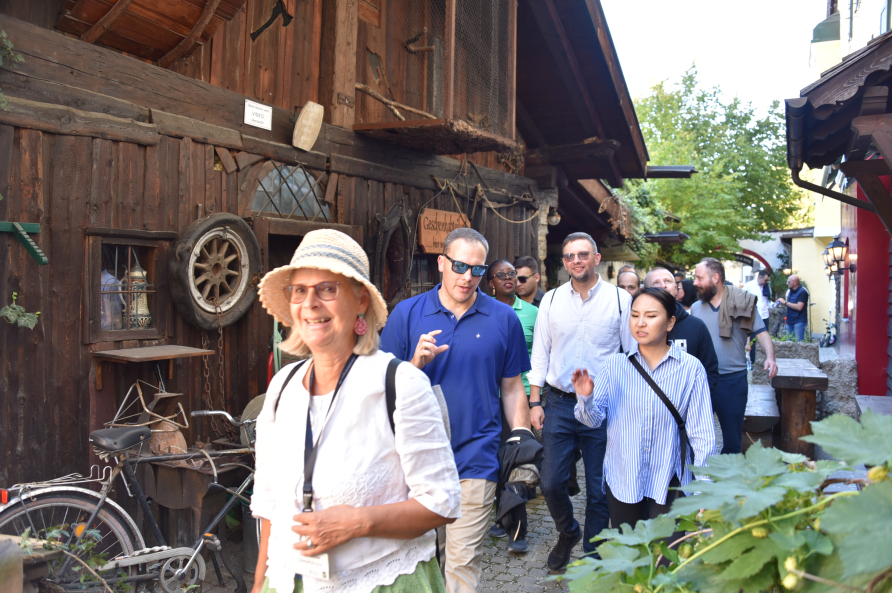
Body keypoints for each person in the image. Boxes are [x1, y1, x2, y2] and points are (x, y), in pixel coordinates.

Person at [251, 229, 461, 593]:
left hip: (379, 581)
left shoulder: (399, 383)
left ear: (360, 300)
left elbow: (443, 502)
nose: (310, 302)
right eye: (300, 290)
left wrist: (359, 523)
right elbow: (271, 505)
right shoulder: (282, 387)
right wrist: (258, 586)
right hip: (286, 582)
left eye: (327, 288)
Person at [380, 228, 533, 593]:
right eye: (460, 266)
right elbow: (380, 391)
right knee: (421, 563)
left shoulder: (503, 319)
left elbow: (512, 388)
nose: (467, 276)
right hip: (414, 462)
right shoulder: (406, 314)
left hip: (476, 459)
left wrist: (522, 443)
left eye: (477, 269)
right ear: (441, 264)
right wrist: (413, 365)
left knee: (461, 567)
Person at [528, 232, 634, 572]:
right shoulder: (552, 300)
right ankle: (568, 533)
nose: (577, 260)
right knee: (550, 483)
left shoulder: (620, 300)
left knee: (598, 489)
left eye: (583, 254)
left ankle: (592, 557)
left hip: (604, 406)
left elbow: (630, 356)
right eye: (571, 255)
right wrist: (534, 401)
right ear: (565, 262)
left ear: (597, 258)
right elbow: (540, 353)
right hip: (559, 403)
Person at [572, 288, 715, 533]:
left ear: (670, 322)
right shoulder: (615, 366)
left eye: (650, 316)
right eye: (634, 315)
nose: (640, 323)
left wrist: (704, 484)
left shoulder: (691, 368)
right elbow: (593, 421)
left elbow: (702, 433)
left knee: (667, 557)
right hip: (624, 476)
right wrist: (585, 399)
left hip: (669, 477)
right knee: (629, 555)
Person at [691, 258, 778, 455]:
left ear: (715, 278)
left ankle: (729, 482)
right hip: (702, 381)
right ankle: (700, 480)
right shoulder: (696, 308)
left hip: (733, 381)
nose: (695, 282)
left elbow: (761, 332)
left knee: (732, 440)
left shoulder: (743, 303)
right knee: (697, 436)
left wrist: (770, 357)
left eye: (699, 278)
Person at [486, 259, 539, 554]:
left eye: (513, 274)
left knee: (517, 463)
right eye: (501, 275)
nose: (509, 279)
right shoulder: (483, 312)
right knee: (495, 462)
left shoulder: (532, 313)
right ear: (490, 283)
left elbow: (541, 357)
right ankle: (500, 514)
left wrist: (535, 402)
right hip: (489, 398)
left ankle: (518, 532)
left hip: (521, 397)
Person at [644, 267, 718, 394]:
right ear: (645, 291)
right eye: (656, 282)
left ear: (676, 288)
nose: (663, 286)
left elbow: (710, 370)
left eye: (667, 281)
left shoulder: (696, 326)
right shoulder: (638, 326)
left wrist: (697, 402)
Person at [743, 270, 772, 366]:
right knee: (752, 340)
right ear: (759, 278)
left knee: (765, 337)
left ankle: (766, 359)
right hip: (753, 315)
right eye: (765, 280)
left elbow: (767, 300)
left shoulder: (767, 287)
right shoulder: (749, 285)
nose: (766, 282)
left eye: (768, 280)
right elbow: (743, 298)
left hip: (764, 315)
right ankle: (753, 361)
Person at [777, 274, 809, 341]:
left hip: (799, 321)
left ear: (795, 283)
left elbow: (799, 307)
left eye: (788, 282)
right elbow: (790, 304)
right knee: (789, 344)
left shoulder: (802, 292)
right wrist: (782, 303)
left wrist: (785, 302)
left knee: (799, 343)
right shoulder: (790, 291)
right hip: (789, 320)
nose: (787, 283)